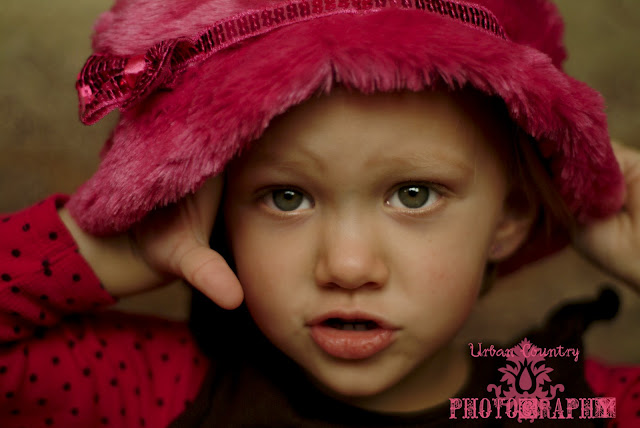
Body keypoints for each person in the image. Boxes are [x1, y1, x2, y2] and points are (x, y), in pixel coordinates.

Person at [0, 0, 638, 427]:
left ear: (509, 217)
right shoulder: (162, 393)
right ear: (215, 207)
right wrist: (116, 247)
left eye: (414, 194)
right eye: (287, 197)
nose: (348, 267)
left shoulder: (567, 405)